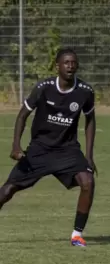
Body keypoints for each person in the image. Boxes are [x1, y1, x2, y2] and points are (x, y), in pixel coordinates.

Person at [0, 48, 97, 247]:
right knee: (8, 190)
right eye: (66, 63)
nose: (70, 66)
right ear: (57, 66)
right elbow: (22, 116)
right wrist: (16, 145)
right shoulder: (44, 88)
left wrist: (88, 156)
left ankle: (77, 235)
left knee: (88, 182)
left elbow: (90, 120)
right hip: (39, 149)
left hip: (67, 151)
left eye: (73, 62)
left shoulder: (85, 92)